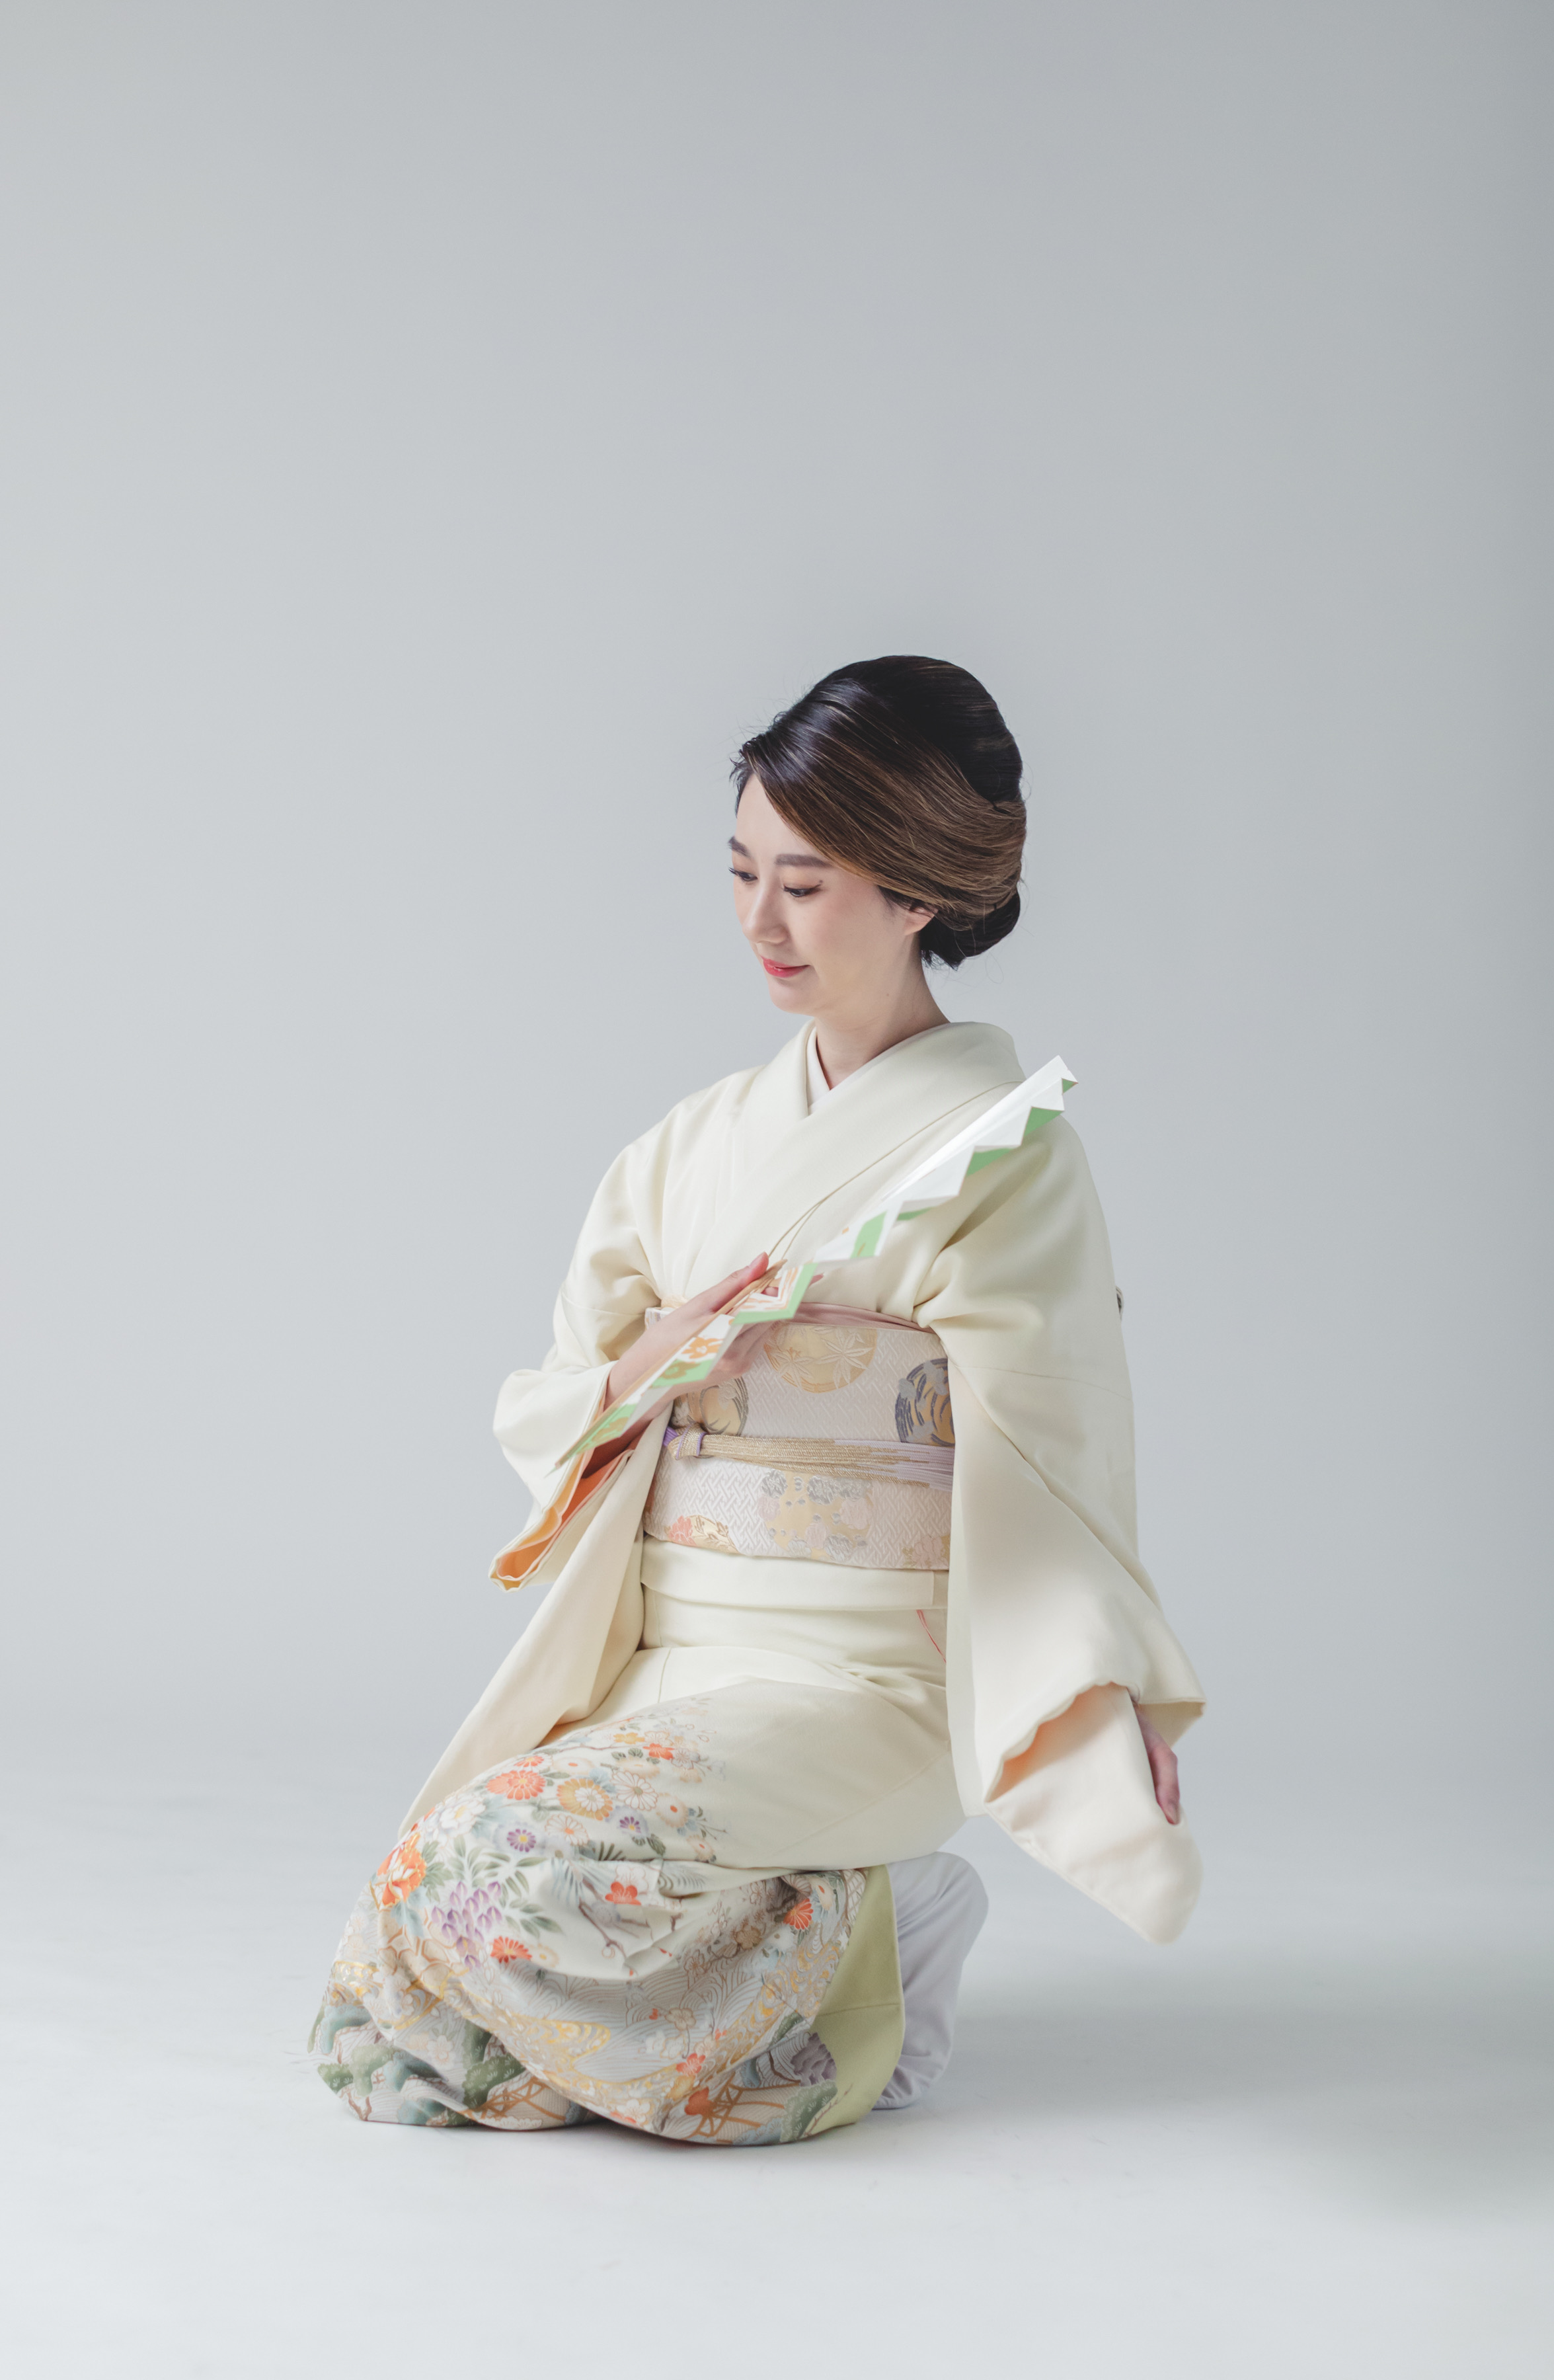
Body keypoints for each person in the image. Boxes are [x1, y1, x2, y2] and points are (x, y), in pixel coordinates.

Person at [309, 655, 1205, 2144]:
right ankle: (843, 1920)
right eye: (741, 873)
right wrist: (643, 1366)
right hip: (670, 1656)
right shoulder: (685, 1149)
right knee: (388, 2016)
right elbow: (554, 1401)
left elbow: (1054, 1449)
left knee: (481, 1874)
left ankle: (872, 1960)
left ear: (917, 891)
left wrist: (1103, 1684)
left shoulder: (1007, 1155)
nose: (759, 922)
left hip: (862, 1681)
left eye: (805, 884)